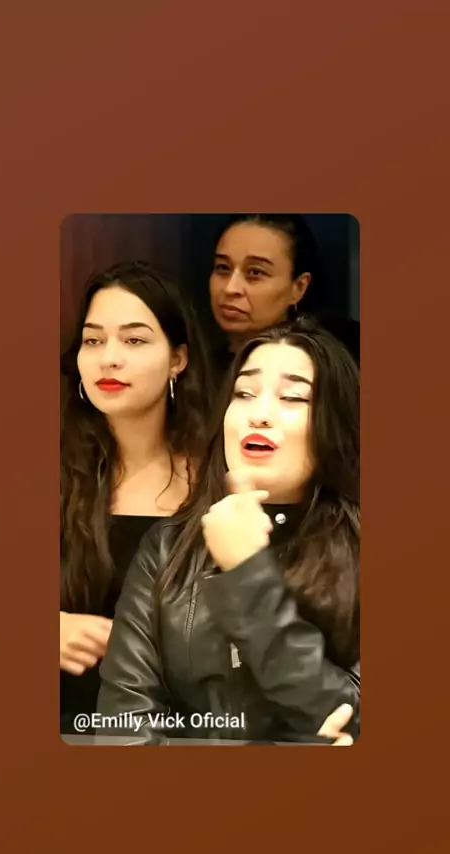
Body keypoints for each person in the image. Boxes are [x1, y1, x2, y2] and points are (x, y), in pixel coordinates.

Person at [97, 317, 360, 744]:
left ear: (335, 425)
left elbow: (350, 719)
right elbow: (122, 731)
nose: (259, 414)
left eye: (293, 397)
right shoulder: (166, 548)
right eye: (244, 393)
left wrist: (247, 575)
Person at [60, 260, 213, 733]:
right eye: (93, 341)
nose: (108, 358)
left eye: (134, 340)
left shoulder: (220, 477)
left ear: (178, 359)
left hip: (188, 732)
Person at [208, 213, 359, 381]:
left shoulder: (327, 371)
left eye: (255, 272)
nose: (230, 288)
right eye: (223, 268)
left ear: (299, 287)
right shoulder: (199, 369)